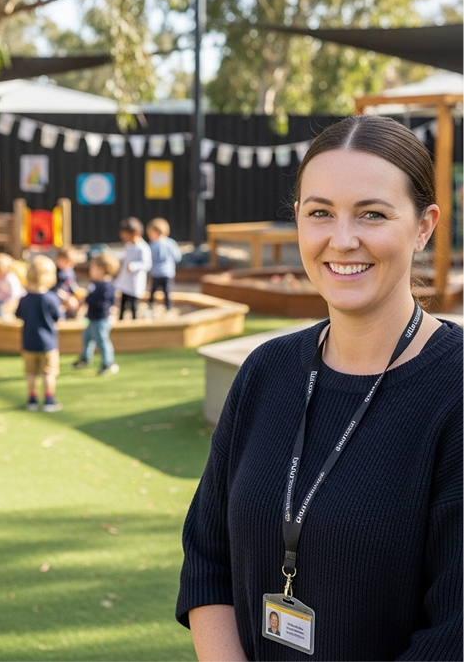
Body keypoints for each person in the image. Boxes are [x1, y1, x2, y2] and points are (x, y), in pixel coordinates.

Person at [176, 115, 462, 662]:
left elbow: (455, 634)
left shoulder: (455, 392)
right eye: (320, 213)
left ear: (424, 226)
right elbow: (207, 560)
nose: (342, 239)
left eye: (372, 214)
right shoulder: (266, 371)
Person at [15, 255, 62, 412]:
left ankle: (32, 400)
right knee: (49, 373)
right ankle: (49, 401)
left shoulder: (25, 298)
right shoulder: (51, 298)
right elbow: (58, 318)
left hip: (29, 342)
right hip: (48, 344)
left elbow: (18, 315)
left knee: (31, 373)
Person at [73, 251, 120, 375]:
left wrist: (88, 300)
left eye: (93, 268)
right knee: (86, 337)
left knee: (102, 341)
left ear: (102, 269)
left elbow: (104, 301)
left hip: (101, 319)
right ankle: (85, 359)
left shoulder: (107, 285)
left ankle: (108, 363)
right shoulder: (95, 284)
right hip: (92, 318)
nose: (90, 271)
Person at [114, 217, 152, 319]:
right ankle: (121, 319)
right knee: (123, 302)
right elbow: (124, 257)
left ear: (136, 234)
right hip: (125, 281)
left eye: (126, 237)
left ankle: (134, 321)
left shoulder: (142, 248)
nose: (125, 240)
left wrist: (134, 266)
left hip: (135, 282)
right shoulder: (128, 246)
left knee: (133, 304)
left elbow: (147, 264)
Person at [146, 217, 182, 314]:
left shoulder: (152, 245)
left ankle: (150, 306)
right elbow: (177, 257)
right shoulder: (171, 243)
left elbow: (149, 259)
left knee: (153, 290)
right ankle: (168, 307)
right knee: (167, 291)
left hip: (156, 272)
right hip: (168, 272)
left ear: (156, 232)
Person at [53, 246, 81, 318]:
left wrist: (75, 292)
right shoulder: (56, 273)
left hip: (68, 295)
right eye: (66, 262)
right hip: (58, 296)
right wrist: (65, 297)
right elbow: (54, 289)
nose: (69, 265)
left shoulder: (70, 271)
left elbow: (72, 284)